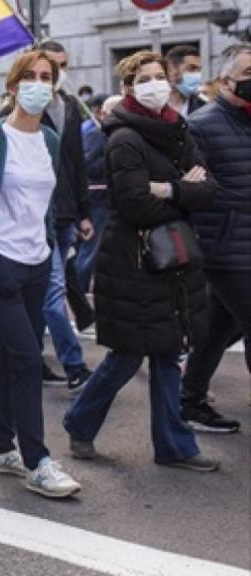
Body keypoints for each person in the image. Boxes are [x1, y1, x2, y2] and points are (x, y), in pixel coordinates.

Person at [63, 50, 221, 473]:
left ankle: (174, 446)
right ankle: (79, 421)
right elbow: (133, 204)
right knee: (128, 355)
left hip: (173, 261)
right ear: (128, 88)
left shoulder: (178, 130)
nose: (156, 85)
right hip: (134, 262)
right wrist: (182, 192)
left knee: (169, 351)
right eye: (144, 78)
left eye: (160, 76)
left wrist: (167, 190)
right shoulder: (124, 138)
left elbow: (209, 188)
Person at [0, 49, 83, 499]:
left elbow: (44, 204)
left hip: (36, 263)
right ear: (12, 86)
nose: (41, 84)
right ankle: (37, 460)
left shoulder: (48, 139)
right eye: (32, 76)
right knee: (28, 357)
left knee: (12, 355)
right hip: (0, 266)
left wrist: (47, 249)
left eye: (48, 76)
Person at [180, 43, 251, 433]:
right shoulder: (202, 124)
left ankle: (189, 402)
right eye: (248, 75)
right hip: (224, 247)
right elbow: (192, 190)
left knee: (217, 329)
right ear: (225, 81)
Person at [35, 40, 95, 393]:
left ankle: (30, 357)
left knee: (42, 295)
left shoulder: (70, 107)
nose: (59, 72)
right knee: (53, 295)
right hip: (36, 220)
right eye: (51, 65)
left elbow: (76, 164)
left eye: (63, 64)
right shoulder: (20, 111)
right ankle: (74, 365)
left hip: (66, 216)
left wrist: (84, 211)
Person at [75, 94, 122, 293]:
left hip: (113, 201)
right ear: (102, 114)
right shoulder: (96, 135)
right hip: (98, 200)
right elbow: (87, 166)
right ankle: (79, 293)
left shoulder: (120, 135)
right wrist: (114, 159)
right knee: (90, 250)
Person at [165, 45, 206, 118]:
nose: (197, 75)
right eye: (191, 68)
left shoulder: (204, 107)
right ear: (171, 70)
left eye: (199, 70)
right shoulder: (152, 105)